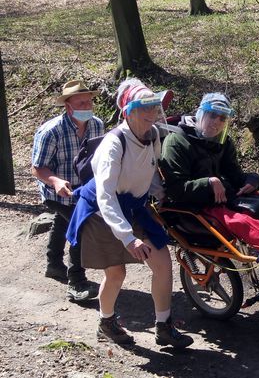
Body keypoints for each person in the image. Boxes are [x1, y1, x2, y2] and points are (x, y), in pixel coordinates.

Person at [66, 78, 193, 348]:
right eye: (144, 107)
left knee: (162, 264)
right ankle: (106, 322)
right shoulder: (113, 145)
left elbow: (152, 173)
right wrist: (127, 237)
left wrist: (162, 197)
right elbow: (105, 196)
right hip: (102, 212)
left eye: (154, 106)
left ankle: (164, 326)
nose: (153, 113)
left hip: (136, 206)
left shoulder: (154, 135)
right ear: (128, 111)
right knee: (116, 274)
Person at [159, 93, 259, 267]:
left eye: (222, 118)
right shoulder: (176, 142)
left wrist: (252, 180)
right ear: (200, 113)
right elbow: (176, 190)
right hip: (193, 207)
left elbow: (235, 176)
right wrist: (209, 182)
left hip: (220, 198)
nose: (216, 122)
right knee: (238, 220)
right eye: (212, 115)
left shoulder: (222, 142)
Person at [31, 79, 103, 302]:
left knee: (63, 221)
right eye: (81, 103)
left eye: (89, 102)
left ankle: (54, 264)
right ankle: (77, 282)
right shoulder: (51, 131)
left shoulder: (97, 125)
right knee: (79, 227)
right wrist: (56, 182)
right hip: (55, 191)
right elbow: (37, 168)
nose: (86, 107)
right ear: (68, 106)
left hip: (83, 190)